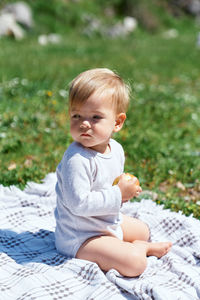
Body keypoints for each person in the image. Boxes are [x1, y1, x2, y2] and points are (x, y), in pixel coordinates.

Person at [54, 68, 172, 277]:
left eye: (96, 117)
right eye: (76, 115)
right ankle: (140, 250)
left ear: (117, 122)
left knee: (143, 231)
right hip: (81, 236)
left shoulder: (115, 150)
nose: (84, 123)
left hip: (105, 221)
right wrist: (118, 194)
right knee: (135, 264)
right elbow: (78, 204)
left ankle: (134, 243)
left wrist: (125, 190)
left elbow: (109, 184)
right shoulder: (77, 160)